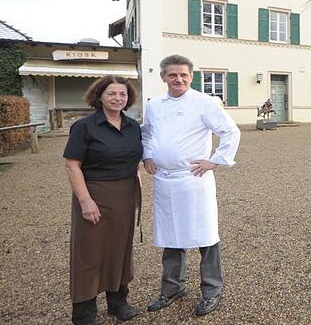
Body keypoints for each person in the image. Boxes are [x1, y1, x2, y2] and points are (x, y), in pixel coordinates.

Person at [141, 54, 240, 317]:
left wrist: (215, 160)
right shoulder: (154, 105)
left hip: (194, 180)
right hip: (165, 180)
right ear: (163, 77)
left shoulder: (204, 102)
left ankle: (212, 290)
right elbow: (147, 132)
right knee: (171, 237)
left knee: (205, 236)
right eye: (172, 75)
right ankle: (173, 287)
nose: (178, 79)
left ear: (191, 76)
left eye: (183, 75)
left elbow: (231, 131)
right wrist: (148, 155)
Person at [63, 76, 142, 325]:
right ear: (99, 96)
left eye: (123, 94)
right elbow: (72, 165)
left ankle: (118, 303)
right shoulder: (84, 127)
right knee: (89, 254)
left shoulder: (132, 126)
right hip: (95, 194)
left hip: (126, 196)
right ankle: (84, 314)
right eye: (112, 93)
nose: (118, 98)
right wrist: (85, 201)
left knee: (120, 250)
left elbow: (135, 159)